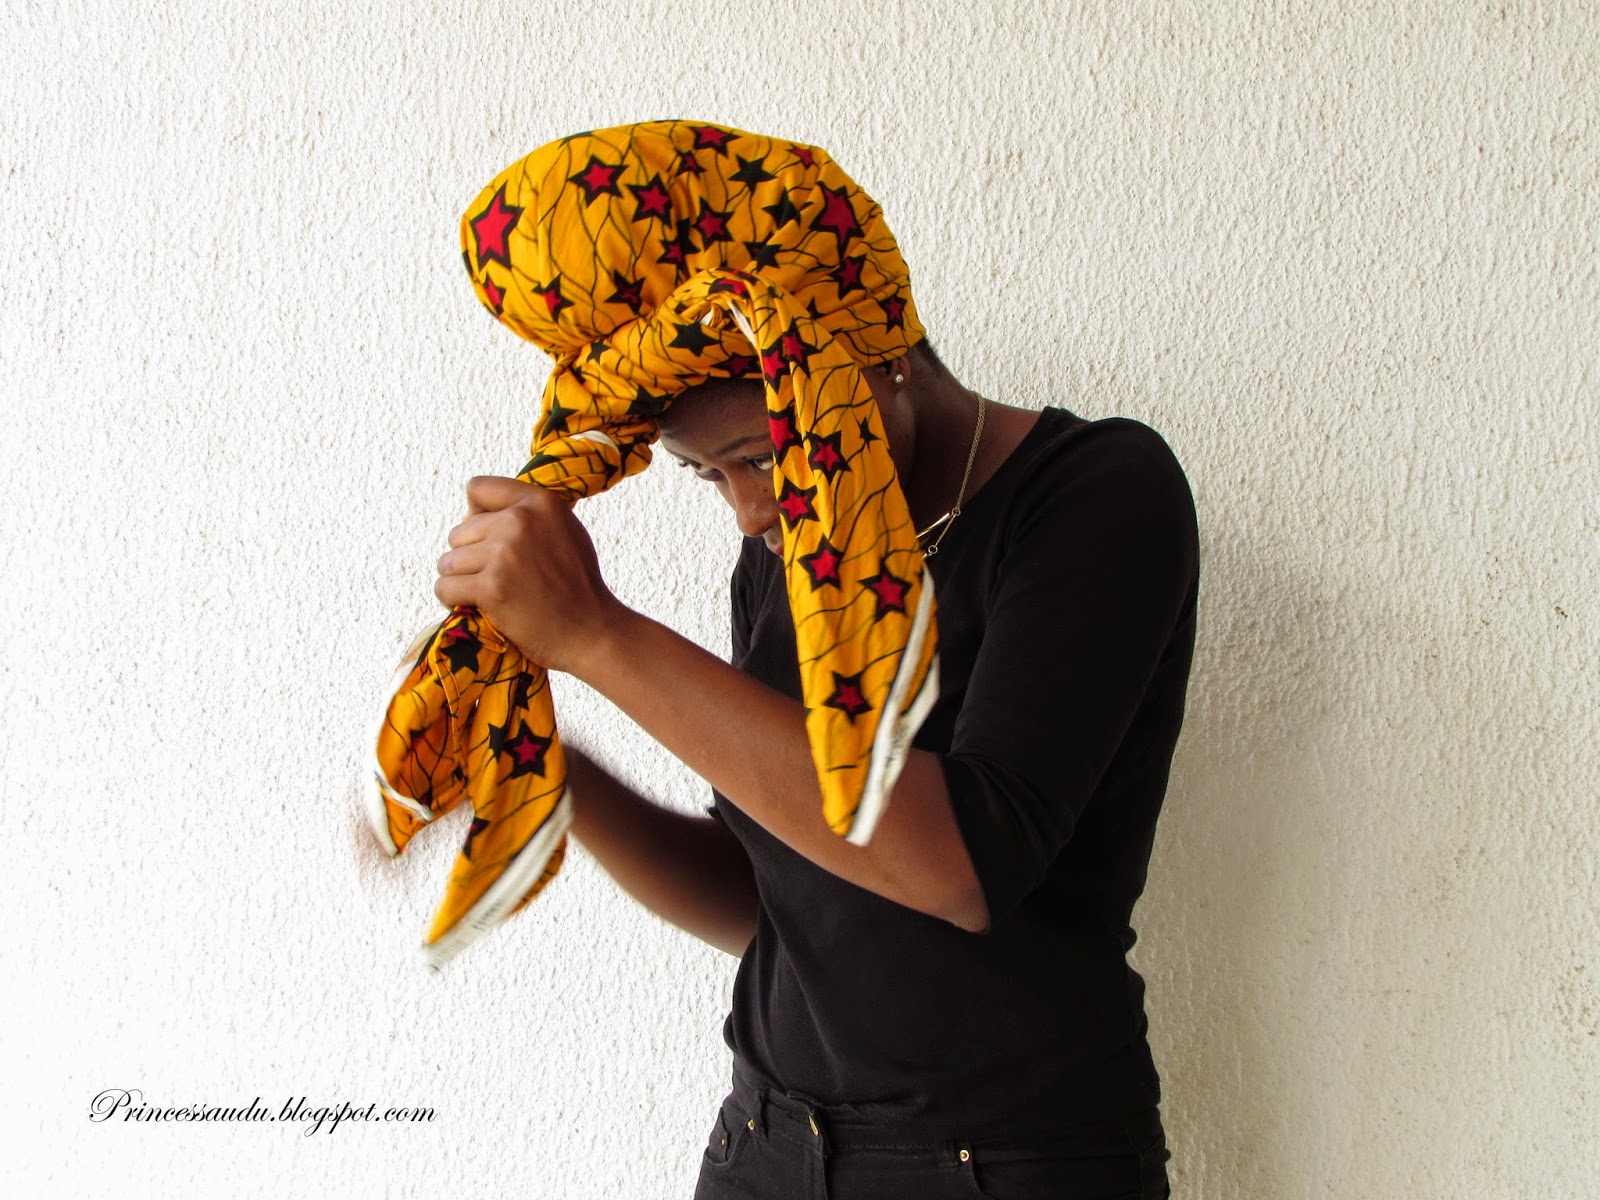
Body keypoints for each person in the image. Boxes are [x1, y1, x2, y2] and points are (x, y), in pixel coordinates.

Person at [431, 121, 1198, 1199]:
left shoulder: (1097, 493)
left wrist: (599, 635)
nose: (749, 512)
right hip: (763, 1146)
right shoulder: (792, 550)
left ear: (874, 363)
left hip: (1010, 1163)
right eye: (707, 476)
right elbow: (765, 895)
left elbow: (960, 868)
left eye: (759, 457)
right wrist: (543, 764)